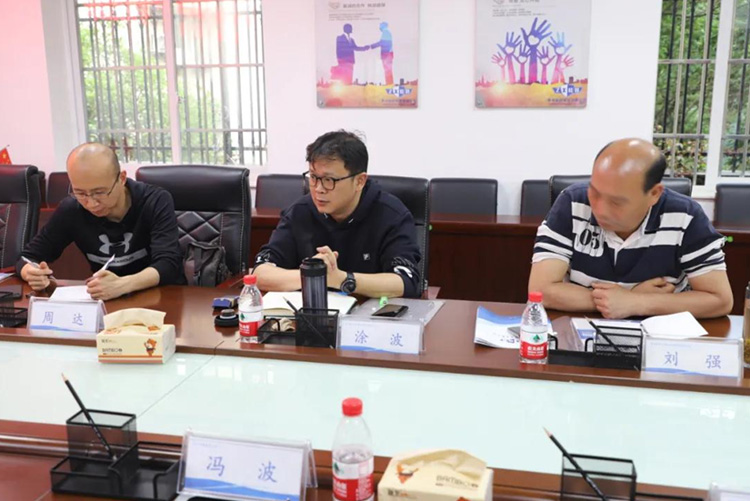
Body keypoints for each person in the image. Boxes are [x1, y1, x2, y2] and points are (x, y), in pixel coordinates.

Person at [528, 138, 733, 319]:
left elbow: (720, 300)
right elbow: (540, 290)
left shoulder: (686, 215)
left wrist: (637, 303)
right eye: (595, 193)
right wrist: (625, 298)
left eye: (616, 202)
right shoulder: (573, 202)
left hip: (658, 334)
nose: (600, 209)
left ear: (654, 194)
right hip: (581, 330)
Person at [253, 130, 422, 298]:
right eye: (313, 177)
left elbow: (406, 281)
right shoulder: (299, 212)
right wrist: (314, 274)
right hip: (311, 311)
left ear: (359, 181)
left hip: (372, 313)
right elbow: (260, 273)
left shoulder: (392, 215)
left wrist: (342, 279)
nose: (318, 189)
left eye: (329, 180)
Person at [17, 142, 185, 301]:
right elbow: (28, 257)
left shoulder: (154, 201)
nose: (91, 203)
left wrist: (122, 285)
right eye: (80, 193)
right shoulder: (72, 209)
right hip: (106, 300)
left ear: (122, 178)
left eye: (100, 193)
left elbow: (168, 264)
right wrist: (31, 272)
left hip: (162, 298)